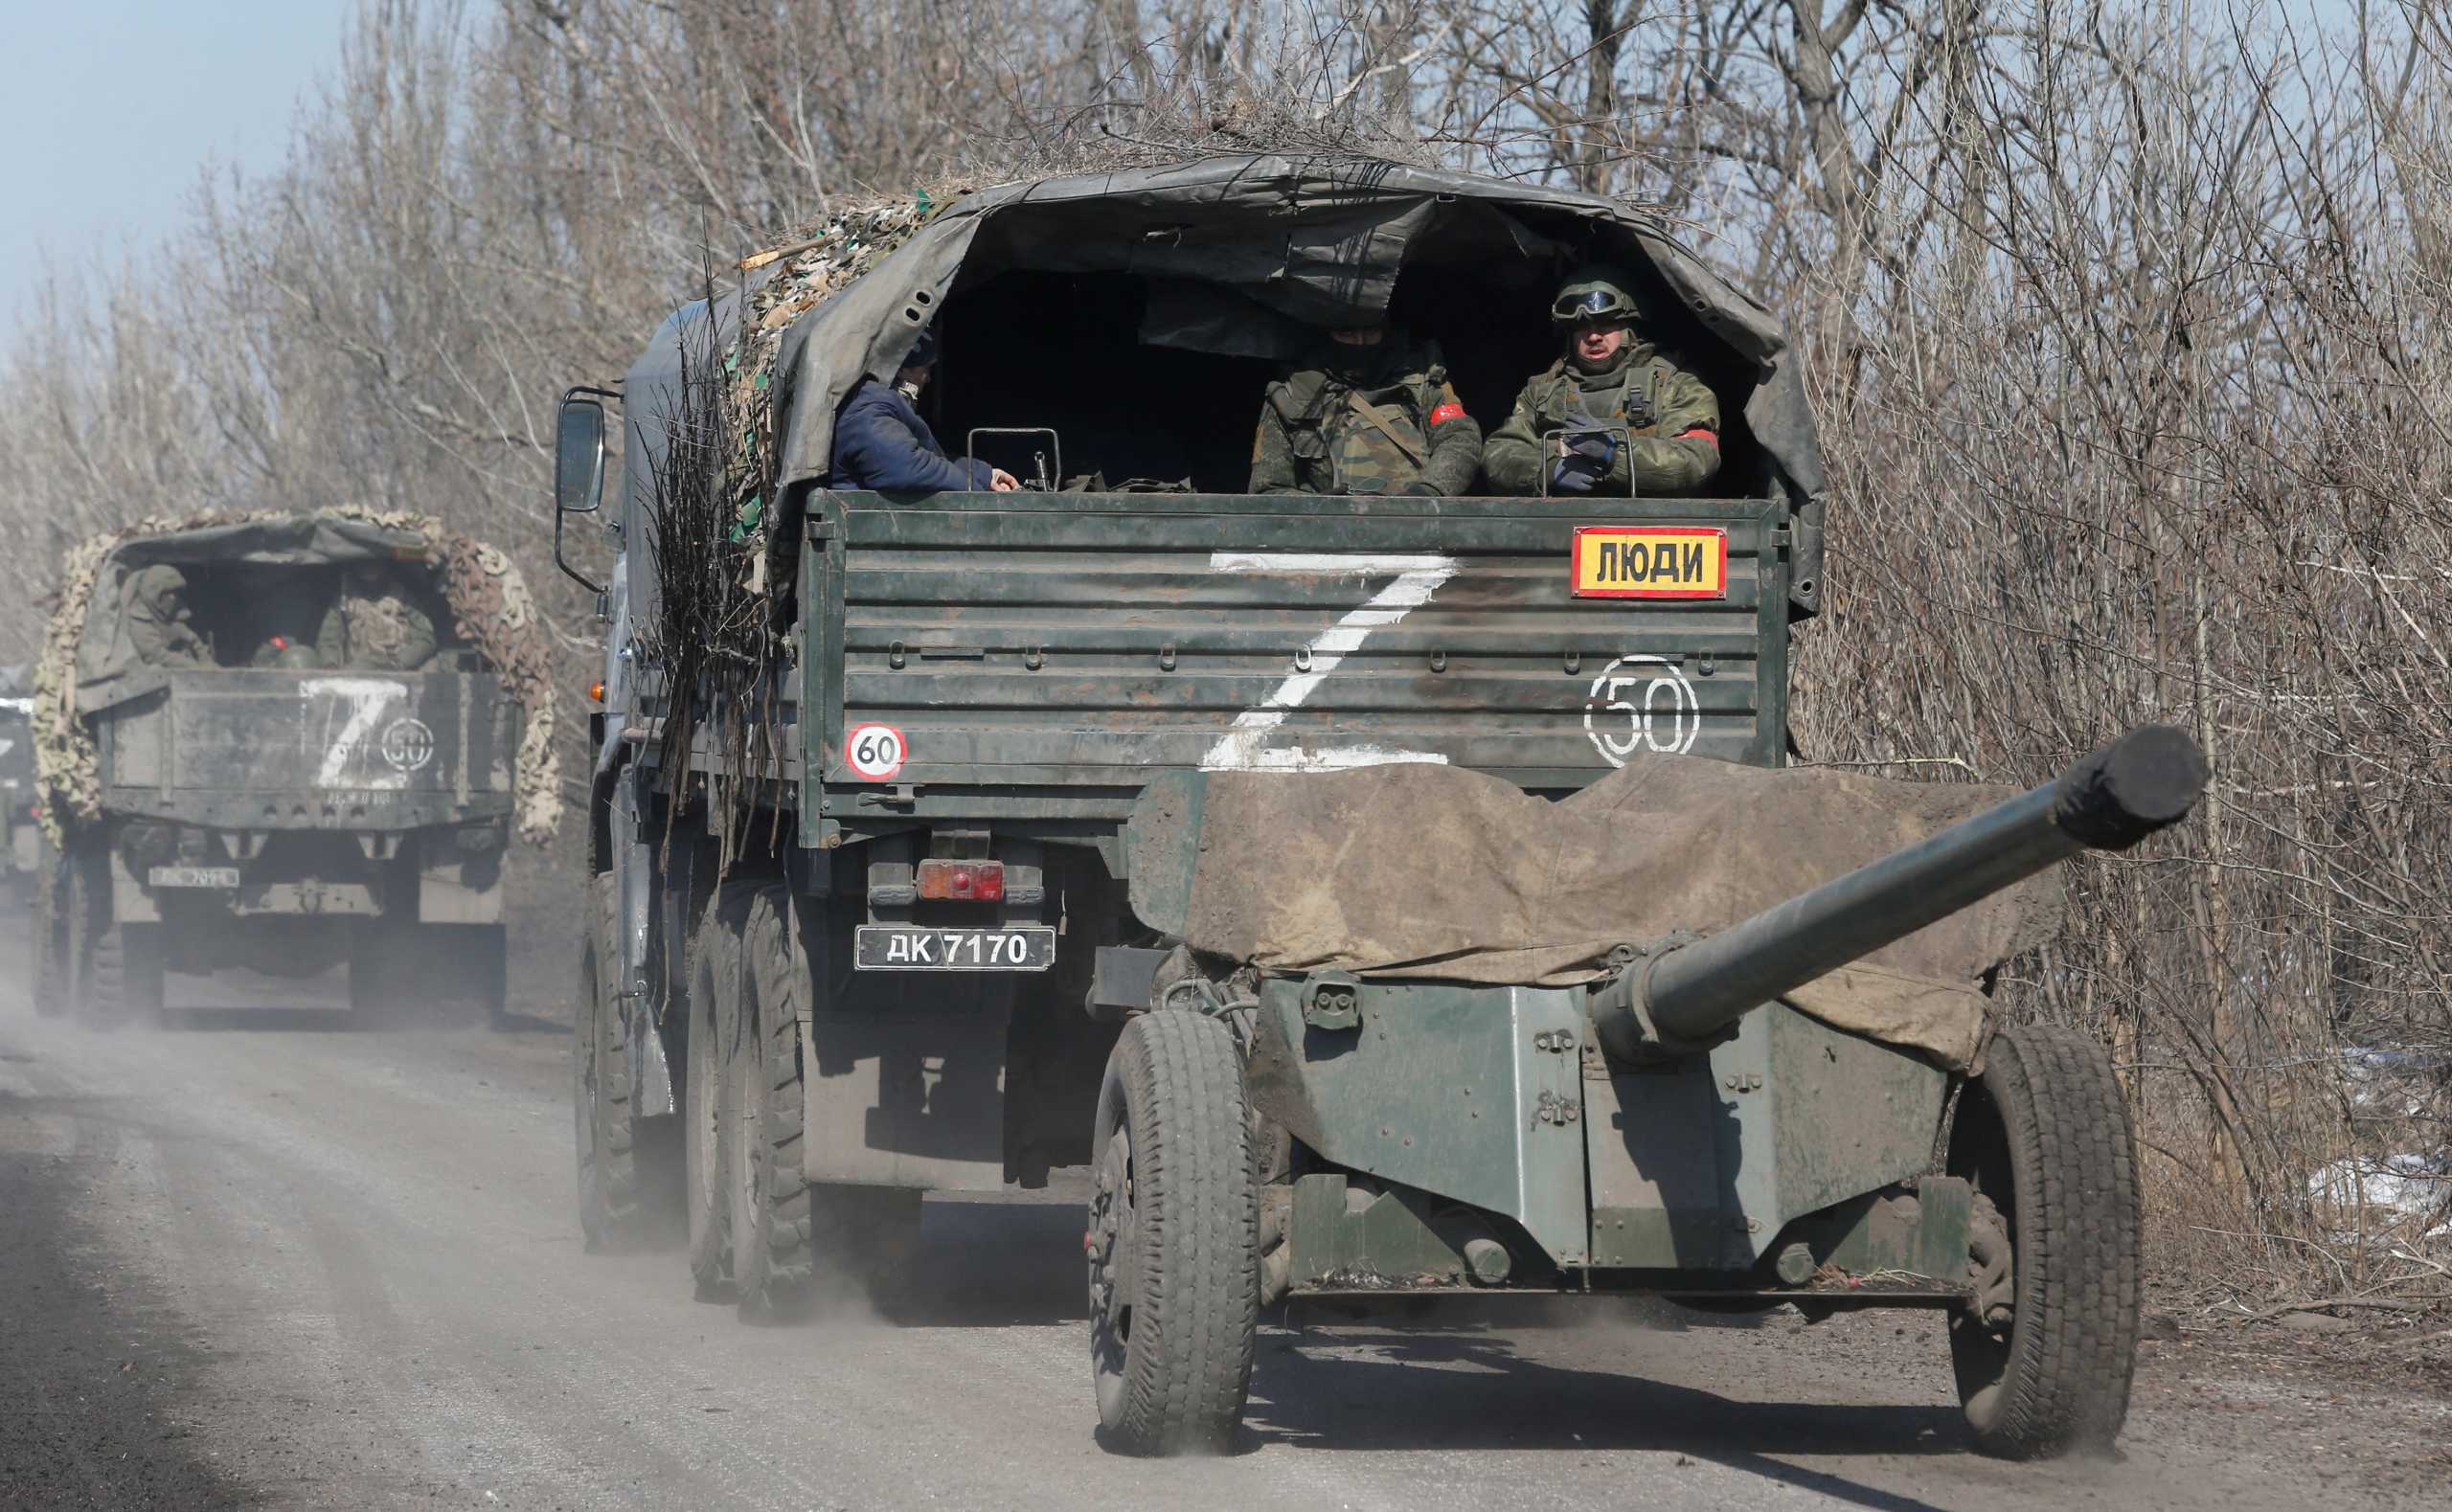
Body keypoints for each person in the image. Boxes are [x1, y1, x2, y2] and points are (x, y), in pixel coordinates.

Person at [1482, 265, 1721, 497]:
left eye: (1606, 324)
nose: (1594, 336)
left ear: (1630, 328)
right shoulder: (1543, 390)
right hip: (1560, 523)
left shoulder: (1673, 384)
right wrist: (1547, 471)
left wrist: (1616, 456)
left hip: (1650, 526)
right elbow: (1499, 452)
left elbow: (1697, 458)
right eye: (1581, 327)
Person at [1248, 315, 1482, 497]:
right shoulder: (1291, 397)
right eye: (1346, 332)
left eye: (1370, 332)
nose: (1359, 343)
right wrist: (1318, 509)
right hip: (1329, 539)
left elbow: (1458, 438)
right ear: (1326, 334)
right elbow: (1268, 489)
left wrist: (1430, 492)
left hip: (1420, 529)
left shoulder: (1420, 380)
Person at [829, 328, 1019, 493]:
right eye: (925, 368)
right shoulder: (868, 410)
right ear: (902, 369)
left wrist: (984, 475)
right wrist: (976, 491)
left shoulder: (877, 402)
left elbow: (930, 458)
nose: (927, 378)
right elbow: (907, 467)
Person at [314, 563, 439, 671]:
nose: (369, 570)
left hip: (399, 672)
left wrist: (400, 662)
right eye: (364, 566)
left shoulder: (403, 596)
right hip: (357, 672)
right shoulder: (344, 599)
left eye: (374, 566)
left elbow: (426, 638)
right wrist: (331, 665)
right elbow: (328, 639)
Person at [124, 565, 212, 668]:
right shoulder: (139, 617)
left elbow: (193, 640)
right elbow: (155, 655)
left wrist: (205, 658)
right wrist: (193, 666)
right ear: (156, 593)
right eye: (169, 593)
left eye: (175, 593)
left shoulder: (170, 610)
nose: (174, 598)